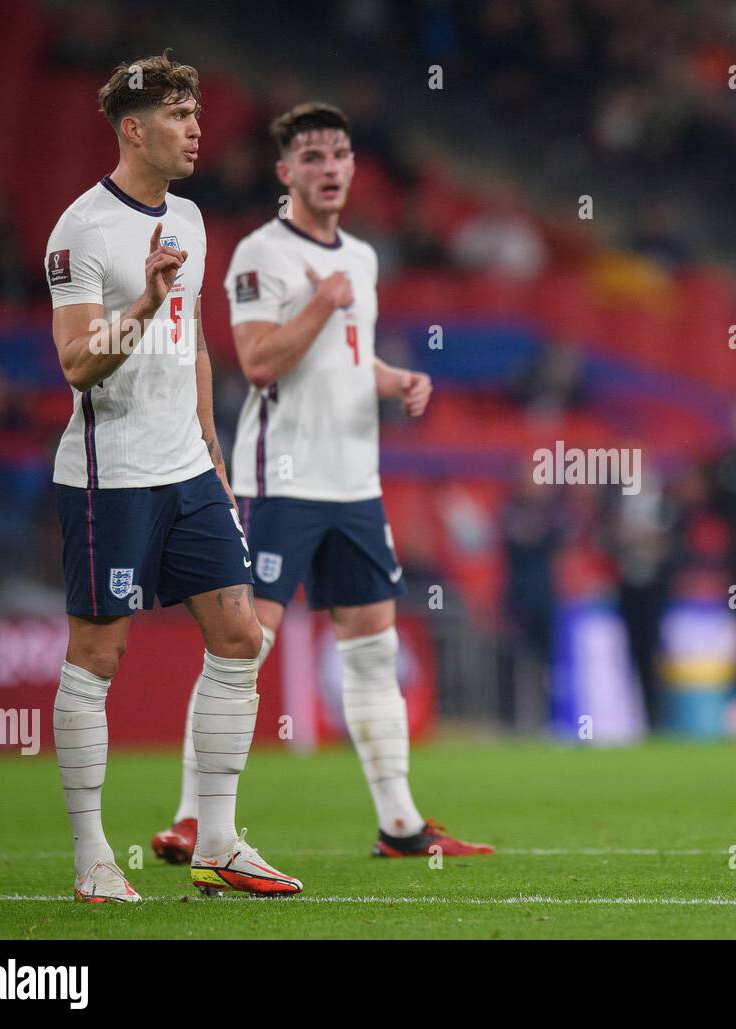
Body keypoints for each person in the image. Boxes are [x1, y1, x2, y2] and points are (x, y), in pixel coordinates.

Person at [150, 102, 492, 862]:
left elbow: (344, 356)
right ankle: (188, 818)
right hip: (283, 484)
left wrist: (393, 376)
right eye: (313, 157)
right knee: (241, 649)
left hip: (356, 486)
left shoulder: (363, 260)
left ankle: (400, 825)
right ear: (285, 173)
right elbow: (259, 361)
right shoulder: (259, 257)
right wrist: (320, 302)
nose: (331, 168)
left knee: (371, 651)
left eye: (340, 154)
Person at [45, 52, 301, 901]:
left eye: (196, 113)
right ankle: (92, 860)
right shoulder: (80, 230)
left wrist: (215, 458)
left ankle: (219, 842)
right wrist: (143, 304)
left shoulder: (188, 219)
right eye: (179, 115)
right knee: (99, 652)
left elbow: (191, 345)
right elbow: (79, 366)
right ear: (133, 127)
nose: (197, 129)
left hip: (187, 469)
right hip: (108, 475)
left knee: (240, 634)